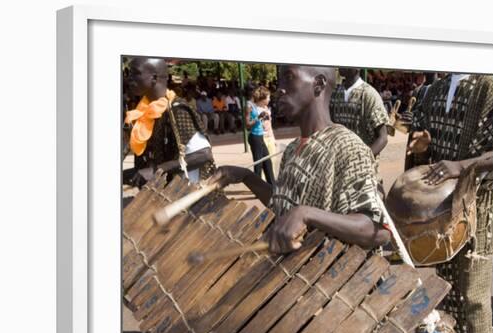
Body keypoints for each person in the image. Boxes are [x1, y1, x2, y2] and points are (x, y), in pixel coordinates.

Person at [209, 65, 391, 254]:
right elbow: (284, 205)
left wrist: (306, 214)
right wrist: (246, 177)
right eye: (280, 80)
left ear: (318, 84)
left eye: (289, 77)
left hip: (327, 277)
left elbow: (377, 232)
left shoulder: (348, 147)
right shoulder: (292, 149)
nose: (279, 88)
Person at [408, 73, 493, 333]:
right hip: (439, 210)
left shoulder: (491, 86)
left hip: (477, 207)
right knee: (444, 289)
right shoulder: (434, 91)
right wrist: (422, 146)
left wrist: (461, 165)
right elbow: (426, 153)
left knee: (474, 295)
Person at [123, 57, 215, 186]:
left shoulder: (177, 110)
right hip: (159, 190)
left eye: (135, 73)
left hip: (185, 192)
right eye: (128, 73)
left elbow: (204, 155)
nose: (129, 78)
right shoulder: (141, 112)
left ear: (154, 78)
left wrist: (157, 170)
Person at [245, 86, 275, 185]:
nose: (269, 99)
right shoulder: (249, 106)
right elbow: (247, 125)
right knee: (258, 164)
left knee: (267, 162)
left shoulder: (258, 106)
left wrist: (262, 118)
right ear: (263, 98)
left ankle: (272, 186)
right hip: (254, 137)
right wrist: (259, 117)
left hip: (259, 136)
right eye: (268, 97)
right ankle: (258, 188)